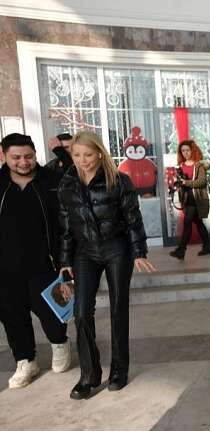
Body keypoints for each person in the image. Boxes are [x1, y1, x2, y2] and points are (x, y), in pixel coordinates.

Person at [58, 131, 156, 400]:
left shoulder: (119, 181)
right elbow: (65, 226)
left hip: (116, 249)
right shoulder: (67, 184)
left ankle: (119, 370)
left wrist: (138, 251)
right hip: (85, 252)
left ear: (100, 153)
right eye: (77, 155)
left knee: (118, 309)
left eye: (88, 154)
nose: (83, 160)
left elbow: (132, 218)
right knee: (81, 312)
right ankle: (89, 376)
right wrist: (65, 260)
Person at [0, 133, 72, 389]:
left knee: (51, 312)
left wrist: (66, 259)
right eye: (16, 157)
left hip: (45, 263)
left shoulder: (52, 181)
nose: (23, 162)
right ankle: (25, 360)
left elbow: (67, 222)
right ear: (3, 156)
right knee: (12, 316)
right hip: (5, 267)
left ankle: (60, 344)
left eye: (28, 156)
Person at [169, 140, 210, 260]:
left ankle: (181, 250)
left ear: (193, 150)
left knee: (187, 222)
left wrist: (186, 182)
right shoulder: (181, 166)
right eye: (183, 151)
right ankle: (208, 246)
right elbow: (181, 183)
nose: (185, 153)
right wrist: (177, 183)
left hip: (196, 199)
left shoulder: (199, 165)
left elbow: (202, 182)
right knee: (198, 223)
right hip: (186, 199)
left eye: (187, 150)